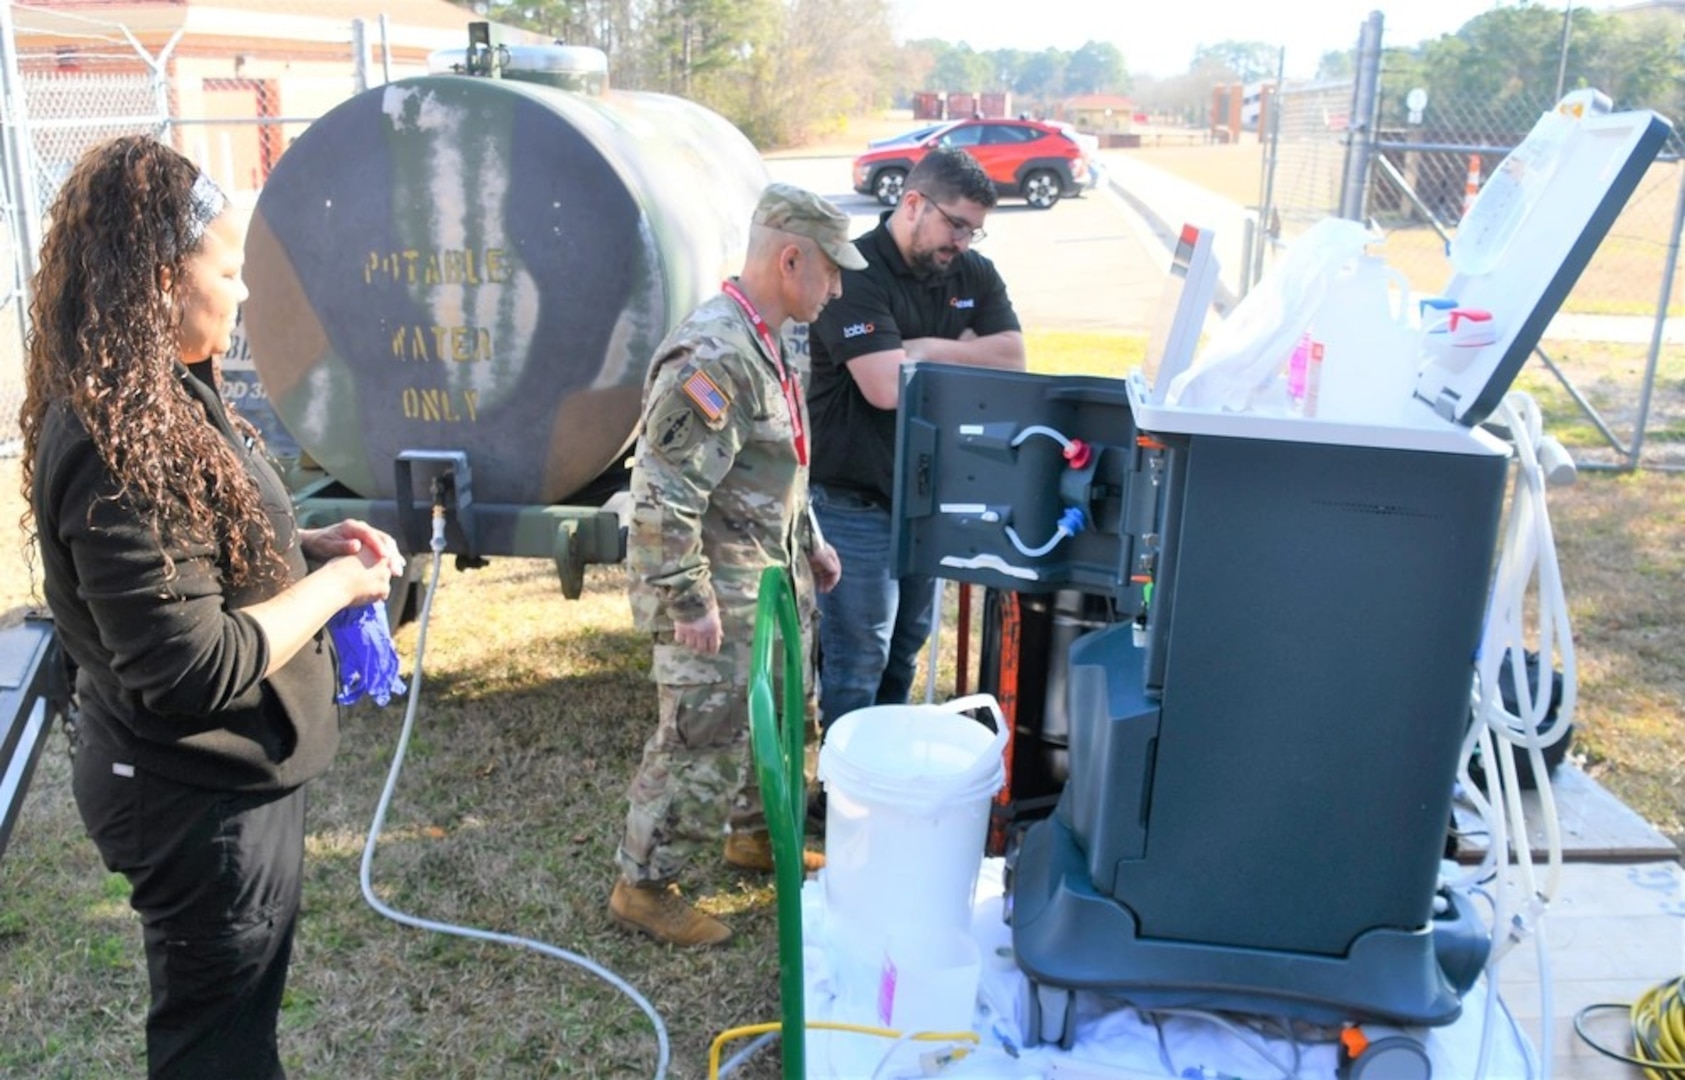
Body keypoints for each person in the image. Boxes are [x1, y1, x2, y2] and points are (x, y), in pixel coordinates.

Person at [19, 135, 405, 1078]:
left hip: (220, 784)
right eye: (228, 270)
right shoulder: (116, 435)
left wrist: (297, 548)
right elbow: (192, 666)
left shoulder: (159, 394)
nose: (243, 295)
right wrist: (335, 588)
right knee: (217, 1048)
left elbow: (193, 548)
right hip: (192, 800)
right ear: (159, 278)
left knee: (233, 1026)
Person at [611, 183, 858, 947]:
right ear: (791, 259)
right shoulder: (714, 354)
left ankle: (755, 835)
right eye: (831, 270)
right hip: (716, 587)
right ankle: (643, 887)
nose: (839, 287)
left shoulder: (774, 336)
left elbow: (776, 465)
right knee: (700, 737)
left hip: (770, 574)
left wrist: (808, 537)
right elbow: (660, 494)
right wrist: (688, 602)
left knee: (784, 717)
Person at [806, 148, 1026, 736]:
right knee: (859, 656)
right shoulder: (853, 272)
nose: (964, 241)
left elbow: (1012, 361)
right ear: (912, 203)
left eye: (975, 230)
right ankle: (843, 787)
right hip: (853, 501)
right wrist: (962, 354)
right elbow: (883, 387)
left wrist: (924, 350)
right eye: (956, 224)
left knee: (906, 646)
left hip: (925, 497)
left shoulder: (970, 273)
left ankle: (883, 763)